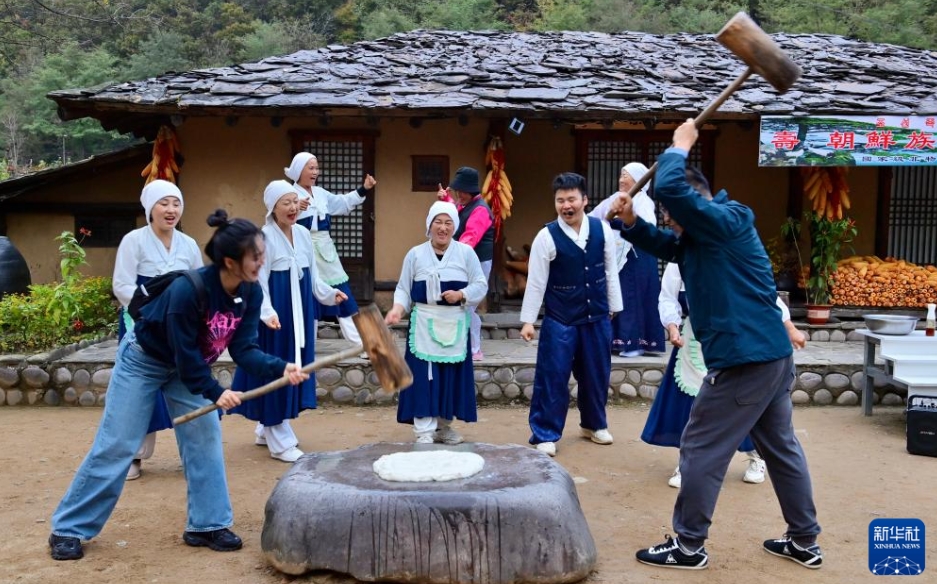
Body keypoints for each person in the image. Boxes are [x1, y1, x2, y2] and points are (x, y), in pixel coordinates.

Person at [612, 119, 822, 570]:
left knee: (701, 447)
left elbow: (672, 186)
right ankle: (805, 540)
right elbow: (665, 245)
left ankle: (688, 546)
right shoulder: (700, 238)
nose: (666, 218)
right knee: (780, 448)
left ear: (691, 200)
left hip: (745, 361)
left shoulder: (727, 219)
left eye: (669, 210)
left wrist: (680, 146)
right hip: (767, 357)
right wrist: (632, 222)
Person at [48, 210, 309, 561]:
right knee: (118, 443)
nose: (262, 261)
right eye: (256, 256)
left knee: (204, 440)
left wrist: (282, 368)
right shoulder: (189, 290)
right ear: (230, 261)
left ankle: (207, 524)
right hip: (144, 360)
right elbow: (187, 359)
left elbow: (245, 349)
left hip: (188, 366)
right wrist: (218, 393)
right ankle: (69, 527)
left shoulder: (250, 293)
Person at [645, 259, 807, 489]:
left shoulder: (735, 248)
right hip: (696, 340)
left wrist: (789, 328)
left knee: (745, 401)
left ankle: (756, 457)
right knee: (691, 403)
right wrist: (672, 326)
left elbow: (766, 294)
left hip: (739, 337)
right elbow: (668, 297)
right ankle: (688, 463)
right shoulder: (679, 257)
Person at [229, 181, 346, 462]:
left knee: (294, 364)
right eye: (286, 203)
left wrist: (329, 294)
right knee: (277, 367)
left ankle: (265, 426)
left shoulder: (305, 234)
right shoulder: (262, 239)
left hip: (300, 314)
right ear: (273, 207)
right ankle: (279, 438)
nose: (293, 208)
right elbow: (258, 281)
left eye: (296, 201)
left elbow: (313, 276)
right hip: (276, 316)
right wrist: (267, 312)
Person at [519, 172, 623, 457]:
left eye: (572, 199)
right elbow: (536, 281)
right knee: (553, 376)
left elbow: (610, 271)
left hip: (597, 316)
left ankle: (593, 424)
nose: (566, 205)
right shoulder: (546, 236)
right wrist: (528, 320)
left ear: (584, 200)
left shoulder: (601, 230)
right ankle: (545, 433)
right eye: (560, 200)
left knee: (596, 374)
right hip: (560, 319)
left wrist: (614, 306)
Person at [112, 180, 203, 481]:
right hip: (142, 328)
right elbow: (122, 285)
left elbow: (199, 284)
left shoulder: (188, 244)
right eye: (164, 203)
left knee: (187, 390)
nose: (171, 210)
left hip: (180, 330)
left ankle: (193, 456)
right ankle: (134, 456)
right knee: (140, 394)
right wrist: (152, 313)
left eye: (176, 203)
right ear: (150, 207)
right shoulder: (134, 241)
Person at [384, 201, 488, 444]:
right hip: (423, 324)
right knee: (422, 377)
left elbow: (480, 284)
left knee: (448, 376)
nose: (443, 228)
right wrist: (398, 309)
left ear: (455, 226)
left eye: (448, 223)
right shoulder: (416, 254)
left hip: (454, 324)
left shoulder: (465, 253)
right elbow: (403, 288)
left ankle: (443, 427)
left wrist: (461, 295)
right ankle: (424, 431)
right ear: (429, 225)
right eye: (438, 222)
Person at [284, 152, 376, 350]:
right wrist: (295, 207)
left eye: (316, 168)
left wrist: (364, 189)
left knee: (342, 292)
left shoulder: (321, 193)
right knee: (307, 294)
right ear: (299, 170)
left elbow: (341, 203)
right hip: (301, 249)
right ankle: (306, 346)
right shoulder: (288, 194)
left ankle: (360, 345)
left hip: (325, 250)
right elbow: (277, 219)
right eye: (311, 168)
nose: (315, 172)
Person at [589, 163, 665, 357]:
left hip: (638, 255)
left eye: (626, 175)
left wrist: (621, 221)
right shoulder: (615, 199)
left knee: (634, 297)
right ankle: (617, 341)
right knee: (618, 295)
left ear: (637, 178)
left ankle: (633, 343)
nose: (622, 179)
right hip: (618, 255)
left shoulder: (642, 200)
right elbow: (594, 217)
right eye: (621, 175)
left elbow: (647, 227)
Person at [437, 166, 496, 361]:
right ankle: (465, 346)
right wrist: (446, 199)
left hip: (478, 263)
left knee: (468, 304)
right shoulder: (466, 205)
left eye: (460, 191)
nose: (457, 194)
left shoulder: (480, 211)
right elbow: (455, 209)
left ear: (470, 190)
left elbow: (469, 239)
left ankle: (475, 350)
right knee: (463, 305)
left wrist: (447, 254)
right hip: (466, 262)